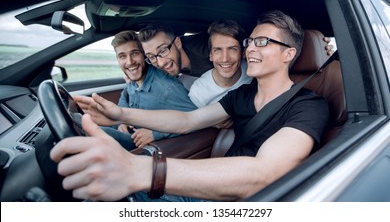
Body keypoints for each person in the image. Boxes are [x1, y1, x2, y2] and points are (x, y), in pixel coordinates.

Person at [51, 10, 329, 202]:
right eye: (249, 42)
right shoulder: (242, 95)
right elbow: (187, 121)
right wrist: (119, 114)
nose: (250, 49)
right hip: (213, 186)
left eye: (262, 42)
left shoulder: (309, 106)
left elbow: (264, 173)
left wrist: (139, 170)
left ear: (289, 54)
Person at [137, 21, 334, 85]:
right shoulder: (156, 62)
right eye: (152, 57)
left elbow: (254, 49)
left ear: (177, 42)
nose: (160, 62)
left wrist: (320, 52)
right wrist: (136, 71)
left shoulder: (207, 49)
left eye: (163, 51)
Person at [102, 30, 197, 150]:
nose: (130, 62)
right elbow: (124, 98)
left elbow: (195, 118)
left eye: (135, 53)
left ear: (144, 55)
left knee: (94, 131)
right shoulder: (132, 81)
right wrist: (123, 121)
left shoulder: (167, 87)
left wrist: (155, 134)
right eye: (122, 56)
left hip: (148, 147)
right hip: (132, 132)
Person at [188, 19, 252, 108]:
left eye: (232, 49)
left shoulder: (252, 72)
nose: (225, 59)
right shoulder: (198, 92)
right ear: (211, 55)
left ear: (243, 53)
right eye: (217, 50)